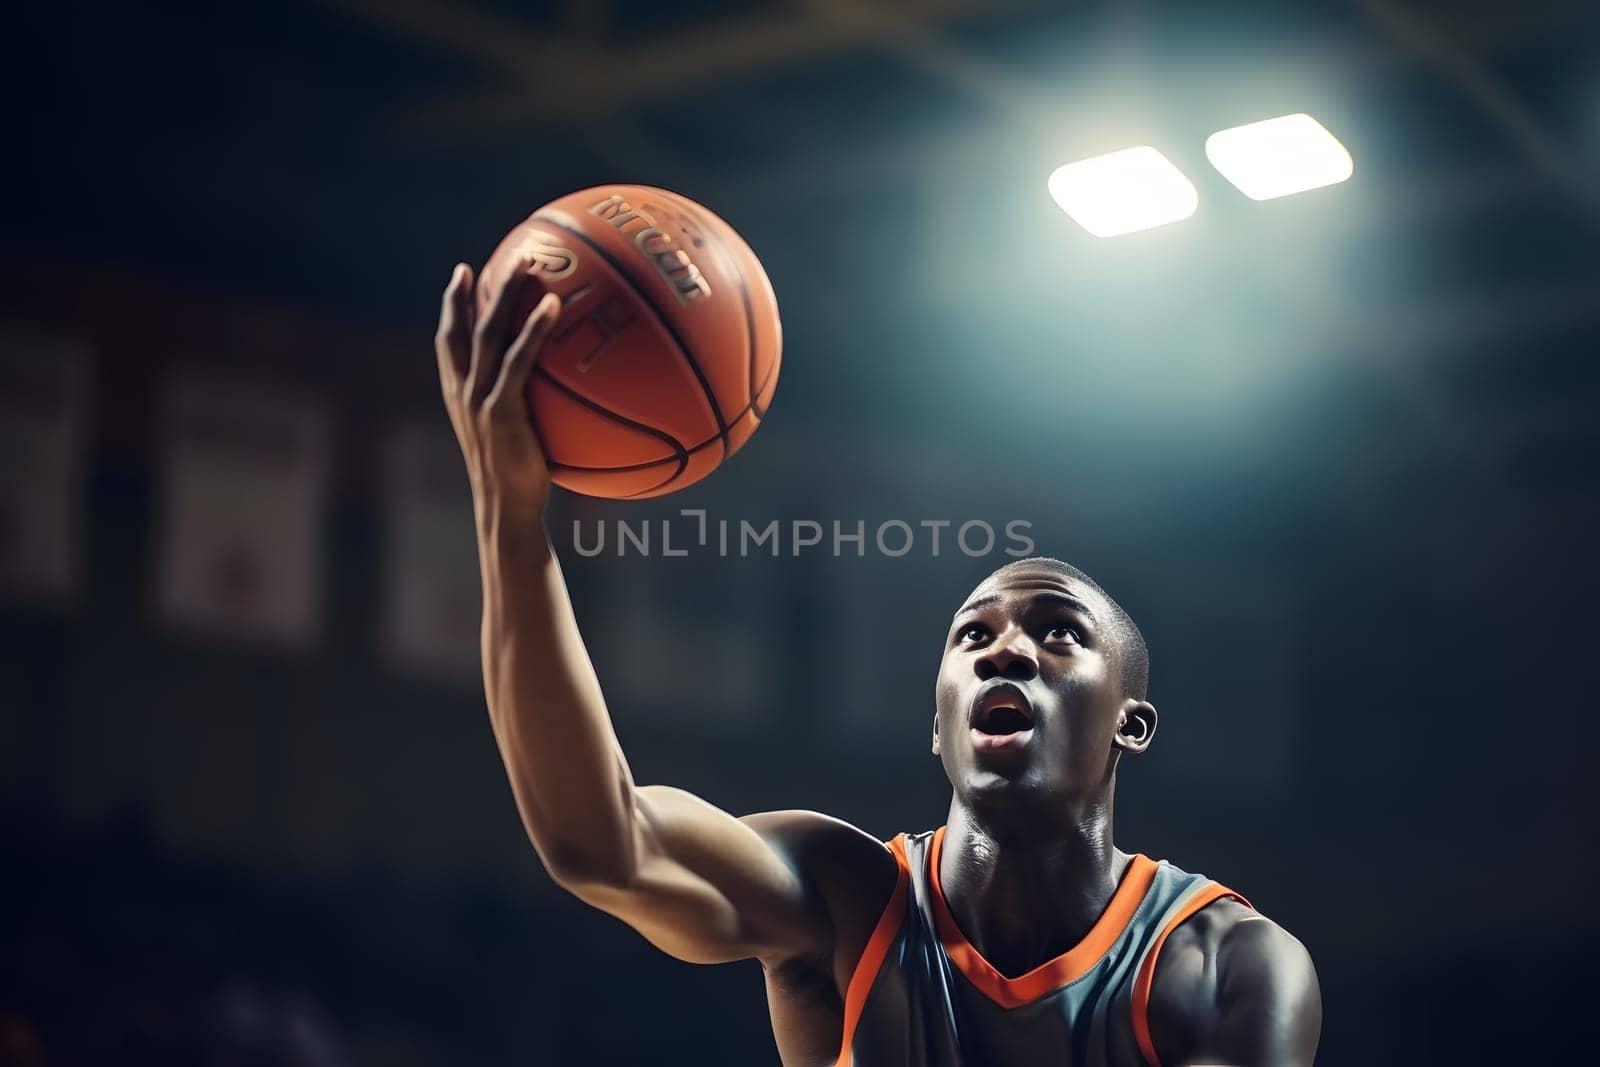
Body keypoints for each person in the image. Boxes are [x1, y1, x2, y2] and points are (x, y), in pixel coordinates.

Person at [433, 260, 1322, 1066]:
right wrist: (510, 519)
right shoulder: (841, 895)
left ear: (1131, 719)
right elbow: (604, 844)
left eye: (1058, 632)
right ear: (937, 725)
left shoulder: (1233, 963)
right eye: (972, 636)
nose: (1006, 647)